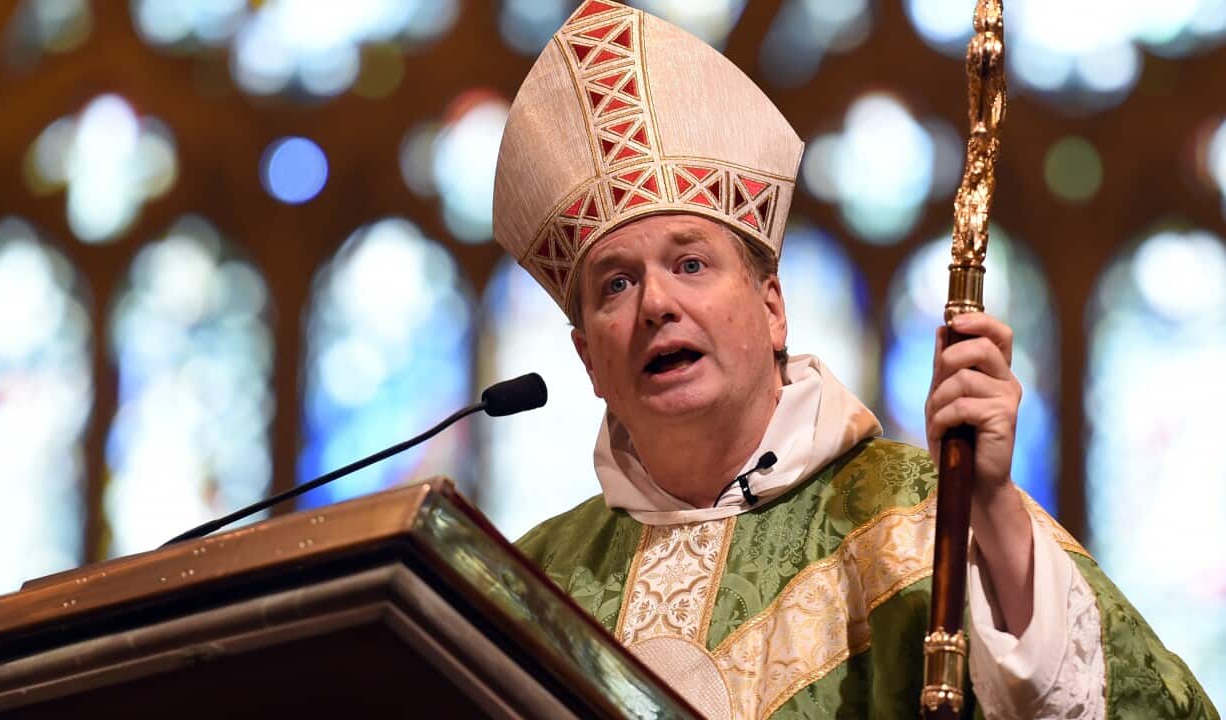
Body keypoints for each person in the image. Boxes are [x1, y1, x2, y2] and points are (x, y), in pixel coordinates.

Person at [491, 1, 1217, 717]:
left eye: (690, 264)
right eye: (616, 284)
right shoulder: (525, 587)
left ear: (773, 306)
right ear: (587, 355)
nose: (655, 304)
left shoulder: (917, 523)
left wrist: (991, 512)